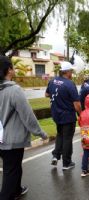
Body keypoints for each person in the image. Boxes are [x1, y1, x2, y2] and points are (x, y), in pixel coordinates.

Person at [0, 56, 48, 200]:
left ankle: (16, 190)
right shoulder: (14, 90)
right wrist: (41, 133)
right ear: (9, 70)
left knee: (14, 167)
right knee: (11, 170)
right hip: (12, 141)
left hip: (2, 139)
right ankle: (8, 194)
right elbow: (28, 116)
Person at [46, 61, 81, 170]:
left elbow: (47, 94)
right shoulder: (70, 84)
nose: (72, 73)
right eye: (71, 71)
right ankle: (66, 163)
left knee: (60, 134)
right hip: (67, 116)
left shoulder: (53, 81)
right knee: (67, 138)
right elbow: (77, 104)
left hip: (56, 114)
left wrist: (58, 98)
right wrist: (81, 114)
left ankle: (56, 156)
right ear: (67, 72)